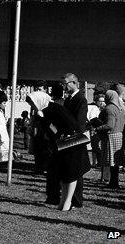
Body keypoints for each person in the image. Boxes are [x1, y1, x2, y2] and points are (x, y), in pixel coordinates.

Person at [29, 85, 90, 211]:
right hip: (61, 146)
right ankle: (63, 202)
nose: (33, 107)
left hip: (71, 145)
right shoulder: (44, 112)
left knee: (71, 174)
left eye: (33, 104)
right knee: (63, 174)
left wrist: (53, 129)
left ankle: (67, 202)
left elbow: (70, 125)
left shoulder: (55, 109)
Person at [55, 73, 88, 208]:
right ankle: (69, 199)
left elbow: (79, 123)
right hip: (66, 137)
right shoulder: (68, 99)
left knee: (75, 170)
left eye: (66, 84)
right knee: (69, 170)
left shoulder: (81, 99)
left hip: (74, 138)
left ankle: (75, 200)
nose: (64, 87)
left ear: (74, 83)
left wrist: (70, 132)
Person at [92, 89, 123, 188]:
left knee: (112, 161)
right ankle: (114, 182)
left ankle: (113, 183)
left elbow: (110, 125)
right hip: (119, 135)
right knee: (115, 162)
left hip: (111, 136)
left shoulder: (109, 109)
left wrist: (98, 128)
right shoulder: (119, 108)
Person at [26, 81, 52, 172]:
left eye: (40, 89)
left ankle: (45, 166)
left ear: (45, 90)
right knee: (37, 146)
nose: (38, 91)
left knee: (45, 146)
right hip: (36, 127)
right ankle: (38, 165)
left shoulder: (48, 101)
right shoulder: (34, 101)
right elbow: (32, 115)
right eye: (37, 89)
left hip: (45, 127)